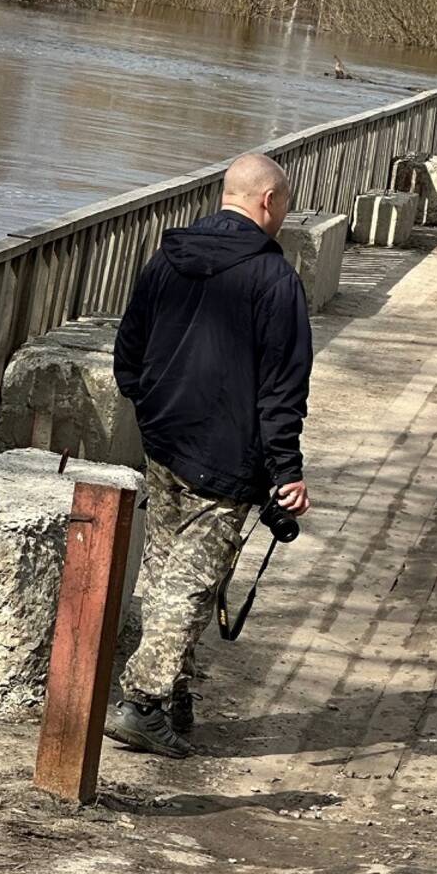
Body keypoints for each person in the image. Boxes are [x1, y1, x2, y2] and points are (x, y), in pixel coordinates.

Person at [106, 153, 314, 759]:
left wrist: (151, 408)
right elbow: (282, 390)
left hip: (165, 445)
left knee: (162, 574)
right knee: (191, 586)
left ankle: (174, 697)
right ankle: (143, 704)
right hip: (224, 462)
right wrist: (287, 471)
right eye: (285, 206)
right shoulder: (275, 282)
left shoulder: (166, 258)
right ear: (268, 203)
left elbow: (129, 354)